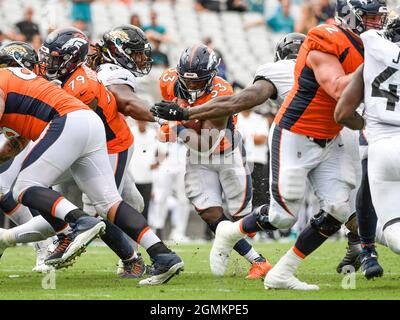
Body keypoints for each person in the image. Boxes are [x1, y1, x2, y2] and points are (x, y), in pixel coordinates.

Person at [0, 37, 183, 286]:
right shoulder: (25, 83)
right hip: (86, 127)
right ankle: (163, 255)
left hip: (74, 125)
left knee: (25, 186)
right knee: (109, 204)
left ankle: (76, 225)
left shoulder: (6, 80)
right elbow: (18, 142)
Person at [157, 44, 272, 280]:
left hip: (226, 152)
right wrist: (166, 122)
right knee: (209, 212)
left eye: (198, 82)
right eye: (188, 81)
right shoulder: (168, 80)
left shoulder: (222, 91)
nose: (192, 86)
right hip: (197, 158)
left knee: (242, 216)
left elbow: (206, 143)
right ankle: (258, 262)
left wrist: (176, 129)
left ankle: (273, 229)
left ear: (211, 77)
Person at [333, 20, 400, 278]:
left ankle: (368, 248)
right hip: (379, 137)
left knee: (370, 188)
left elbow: (341, 113)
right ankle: (368, 249)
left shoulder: (372, 52)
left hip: (379, 139)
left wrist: (368, 124)